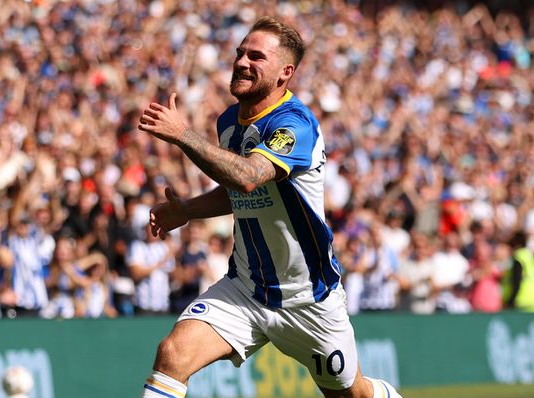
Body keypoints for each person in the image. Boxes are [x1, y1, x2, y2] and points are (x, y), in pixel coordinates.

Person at [137, 17, 401, 398]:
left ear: (284, 73)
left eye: (256, 56)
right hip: (245, 288)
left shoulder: (296, 124)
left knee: (352, 395)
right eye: (240, 52)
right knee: (173, 353)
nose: (242, 61)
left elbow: (248, 176)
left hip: (307, 297)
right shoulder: (229, 122)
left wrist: (182, 134)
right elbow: (238, 189)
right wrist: (189, 210)